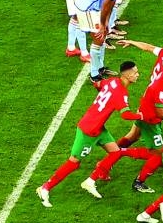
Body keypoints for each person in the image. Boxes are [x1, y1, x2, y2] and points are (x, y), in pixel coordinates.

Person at [35, 61, 143, 207]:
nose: (138, 75)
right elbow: (125, 115)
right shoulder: (121, 93)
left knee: (115, 153)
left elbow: (97, 85)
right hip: (89, 130)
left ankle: (96, 177)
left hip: (98, 127)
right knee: (74, 162)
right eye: (136, 72)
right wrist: (141, 116)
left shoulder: (111, 81)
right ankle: (45, 187)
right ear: (128, 75)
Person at [84, 57, 163, 194]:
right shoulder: (161, 85)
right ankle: (138, 181)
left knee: (131, 138)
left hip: (145, 114)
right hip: (149, 120)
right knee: (160, 154)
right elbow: (159, 112)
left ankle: (105, 164)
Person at [73, 0, 144, 83]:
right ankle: (94, 75)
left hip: (92, 3)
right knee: (98, 38)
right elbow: (106, 3)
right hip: (87, 7)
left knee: (103, 36)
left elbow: (110, 3)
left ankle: (100, 68)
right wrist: (102, 23)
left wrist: (106, 22)